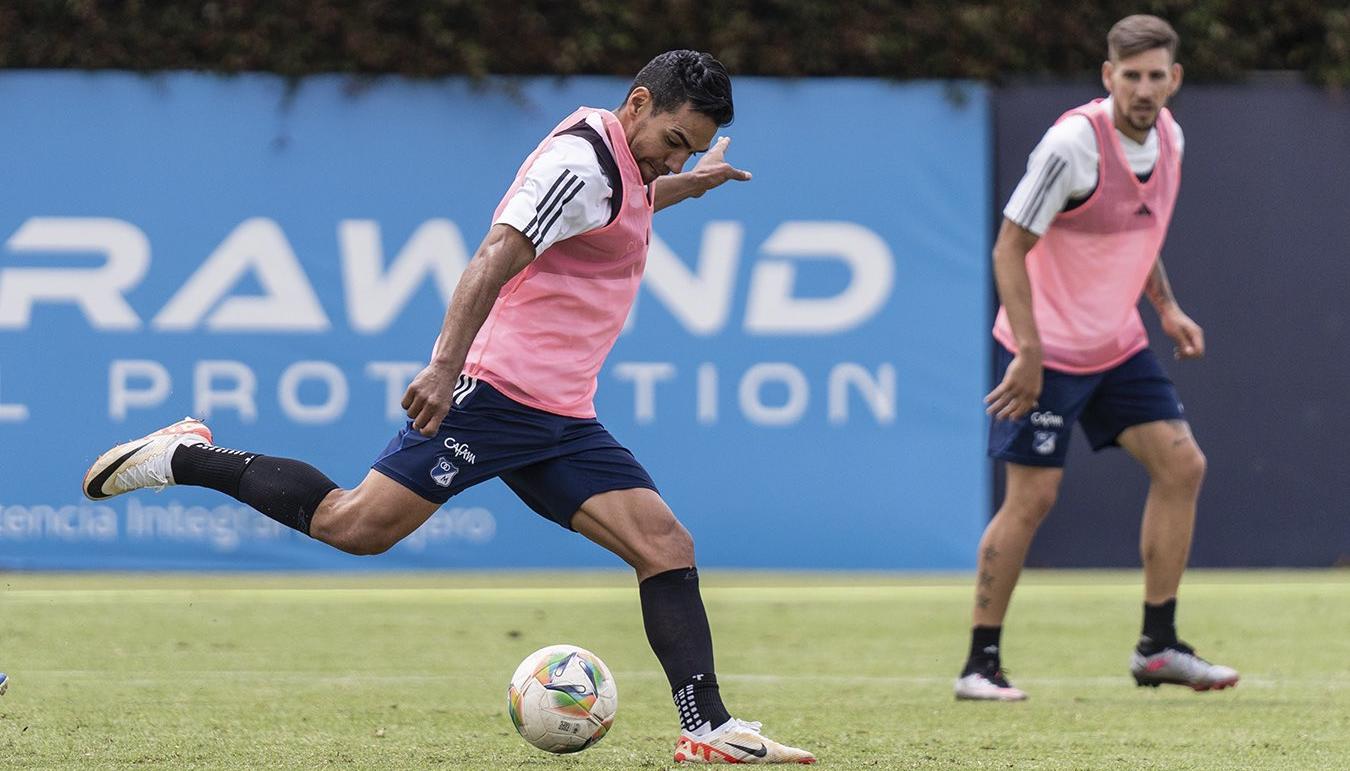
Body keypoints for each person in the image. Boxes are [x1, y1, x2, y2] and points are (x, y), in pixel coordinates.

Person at [84, 50, 815, 764]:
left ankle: (707, 729)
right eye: (674, 145)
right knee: (355, 526)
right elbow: (495, 253)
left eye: (689, 153)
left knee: (666, 546)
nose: (675, 160)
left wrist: (689, 184)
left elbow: (620, 206)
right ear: (638, 103)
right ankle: (184, 453)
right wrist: (444, 367)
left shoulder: (621, 166)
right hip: (493, 395)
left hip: (561, 415)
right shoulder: (578, 163)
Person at [954, 15, 1239, 701]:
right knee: (1034, 498)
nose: (1143, 88)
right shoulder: (1072, 145)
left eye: (1155, 76)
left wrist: (1166, 307)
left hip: (1117, 342)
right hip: (1043, 345)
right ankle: (980, 664)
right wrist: (1027, 349)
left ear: (1174, 79)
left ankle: (1158, 646)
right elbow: (1007, 248)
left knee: (1182, 464)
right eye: (1129, 76)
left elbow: (1135, 235)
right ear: (1109, 77)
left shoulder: (1170, 137)